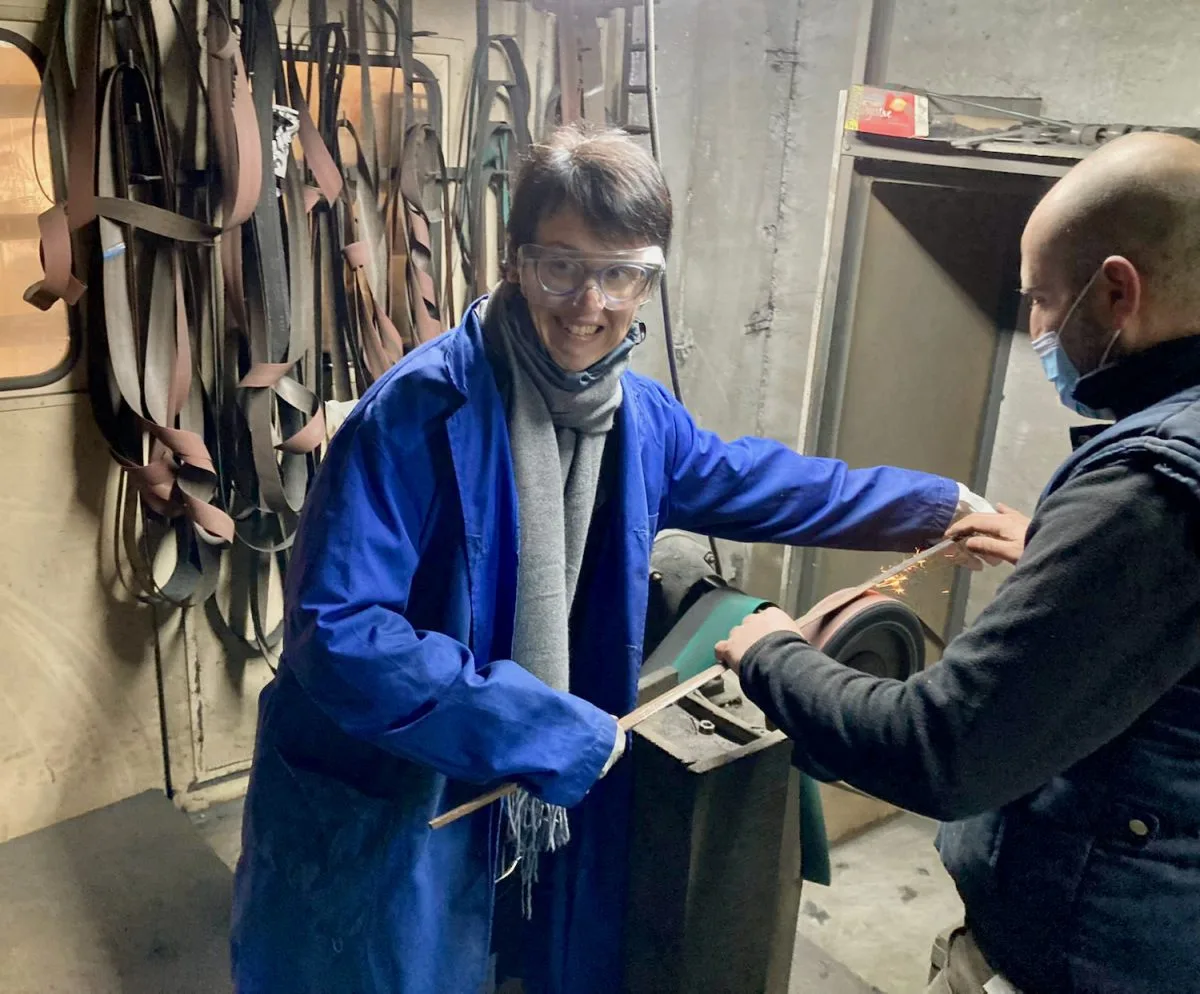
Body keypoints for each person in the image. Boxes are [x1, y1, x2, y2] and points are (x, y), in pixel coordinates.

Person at [230, 123, 984, 994]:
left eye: (622, 274)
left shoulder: (637, 416)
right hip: (403, 782)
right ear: (515, 262)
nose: (590, 304)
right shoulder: (415, 413)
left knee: (530, 953)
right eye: (562, 267)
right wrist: (537, 725)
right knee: (391, 963)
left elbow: (762, 480)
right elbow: (341, 635)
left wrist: (935, 507)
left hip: (537, 780)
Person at [716, 130, 1200, 994]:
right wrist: (1059, 547)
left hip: (1086, 958)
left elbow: (939, 750)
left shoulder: (1148, 494)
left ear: (1117, 290)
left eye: (1042, 302)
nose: (1040, 328)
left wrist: (770, 654)